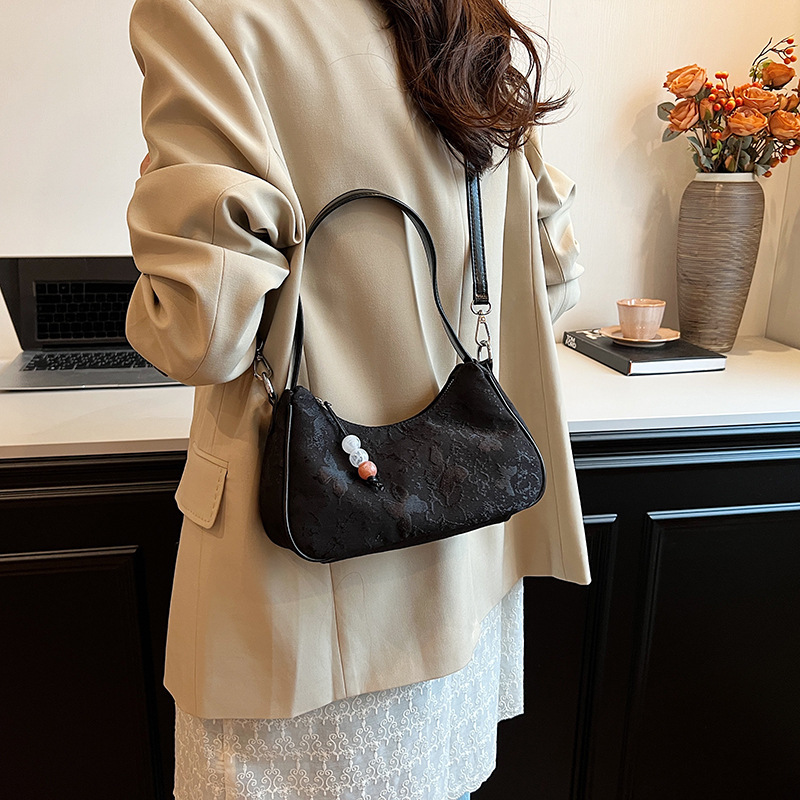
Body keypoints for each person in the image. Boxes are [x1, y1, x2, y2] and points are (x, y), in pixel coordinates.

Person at [126, 0, 591, 797]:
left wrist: (147, 236)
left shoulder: (207, 15)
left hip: (304, 599)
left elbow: (201, 332)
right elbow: (552, 276)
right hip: (464, 563)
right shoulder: (466, 16)